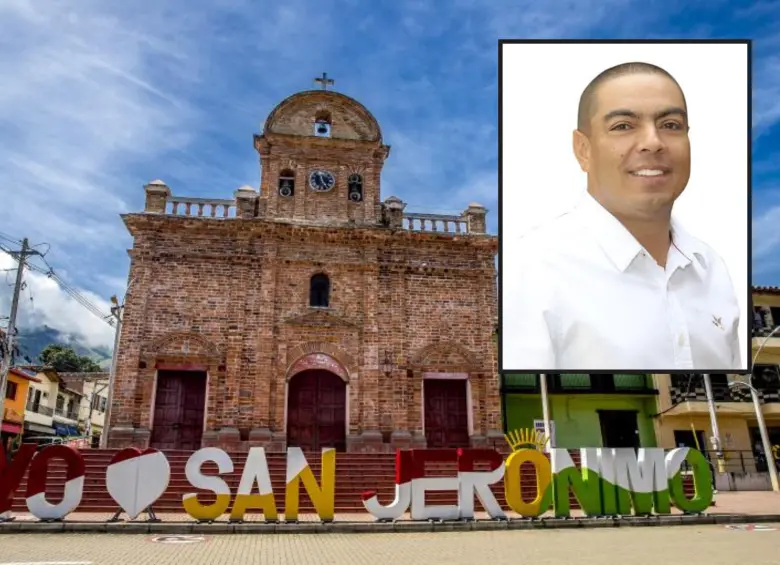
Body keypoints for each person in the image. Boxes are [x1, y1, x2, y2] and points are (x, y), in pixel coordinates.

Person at [502, 61, 742, 371]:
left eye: (670, 125)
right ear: (583, 149)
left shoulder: (712, 268)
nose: (653, 143)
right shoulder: (530, 268)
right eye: (623, 126)